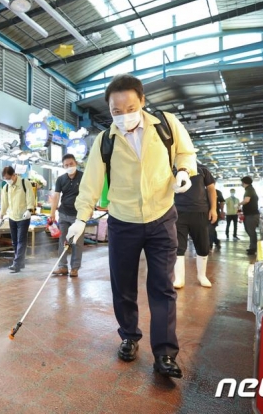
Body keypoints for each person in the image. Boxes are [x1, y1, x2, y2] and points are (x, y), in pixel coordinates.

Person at [66, 74, 197, 378]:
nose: (124, 115)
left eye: (130, 108)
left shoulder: (166, 125)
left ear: (142, 102)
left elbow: (185, 153)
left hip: (162, 216)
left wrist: (184, 172)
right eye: (116, 111)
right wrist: (80, 219)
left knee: (162, 287)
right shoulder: (105, 141)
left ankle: (164, 353)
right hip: (123, 221)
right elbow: (91, 183)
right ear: (109, 110)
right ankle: (129, 336)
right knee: (122, 285)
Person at [173, 163, 218, 289]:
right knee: (178, 245)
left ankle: (202, 276)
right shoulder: (172, 169)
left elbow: (211, 189)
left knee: (203, 245)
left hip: (200, 211)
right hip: (178, 211)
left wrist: (213, 209)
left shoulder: (202, 169)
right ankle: (179, 278)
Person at [50, 154, 84, 278]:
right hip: (63, 214)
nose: (69, 166)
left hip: (79, 216)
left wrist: (89, 209)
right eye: (66, 165)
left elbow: (89, 193)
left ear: (76, 163)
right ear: (63, 166)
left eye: (71, 164)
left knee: (77, 242)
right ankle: (62, 267)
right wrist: (52, 212)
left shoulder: (83, 177)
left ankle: (74, 268)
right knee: (63, 241)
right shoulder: (60, 179)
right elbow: (56, 196)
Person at [0, 166, 36, 273]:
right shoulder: (6, 187)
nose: (7, 180)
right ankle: (20, 262)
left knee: (21, 240)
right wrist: (1, 216)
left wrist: (29, 210)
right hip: (12, 217)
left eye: (8, 178)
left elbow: (30, 197)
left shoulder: (25, 183)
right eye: (5, 179)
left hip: (23, 216)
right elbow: (4, 203)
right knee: (15, 242)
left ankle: (16, 263)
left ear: (14, 175)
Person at [241, 176, 259, 256]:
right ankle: (253, 247)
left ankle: (253, 248)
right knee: (250, 231)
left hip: (251, 215)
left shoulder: (249, 189)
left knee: (251, 231)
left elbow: (246, 200)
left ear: (244, 182)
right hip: (251, 214)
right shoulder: (251, 189)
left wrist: (238, 204)